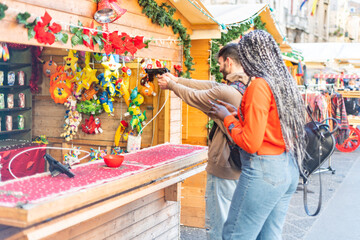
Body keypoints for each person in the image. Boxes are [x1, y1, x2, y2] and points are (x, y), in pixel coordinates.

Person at [209, 30, 306, 240]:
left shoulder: (259, 85)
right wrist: (238, 115)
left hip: (264, 169)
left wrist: (227, 118)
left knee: (235, 235)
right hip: (286, 167)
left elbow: (250, 142)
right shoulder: (284, 82)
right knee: (269, 236)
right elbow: (272, 123)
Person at [157, 43, 249, 240]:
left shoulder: (228, 93)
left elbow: (195, 97)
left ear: (229, 62)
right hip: (238, 167)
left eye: (220, 64)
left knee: (218, 225)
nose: (219, 68)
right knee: (232, 224)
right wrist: (177, 79)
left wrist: (171, 85)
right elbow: (210, 86)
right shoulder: (243, 86)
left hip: (225, 168)